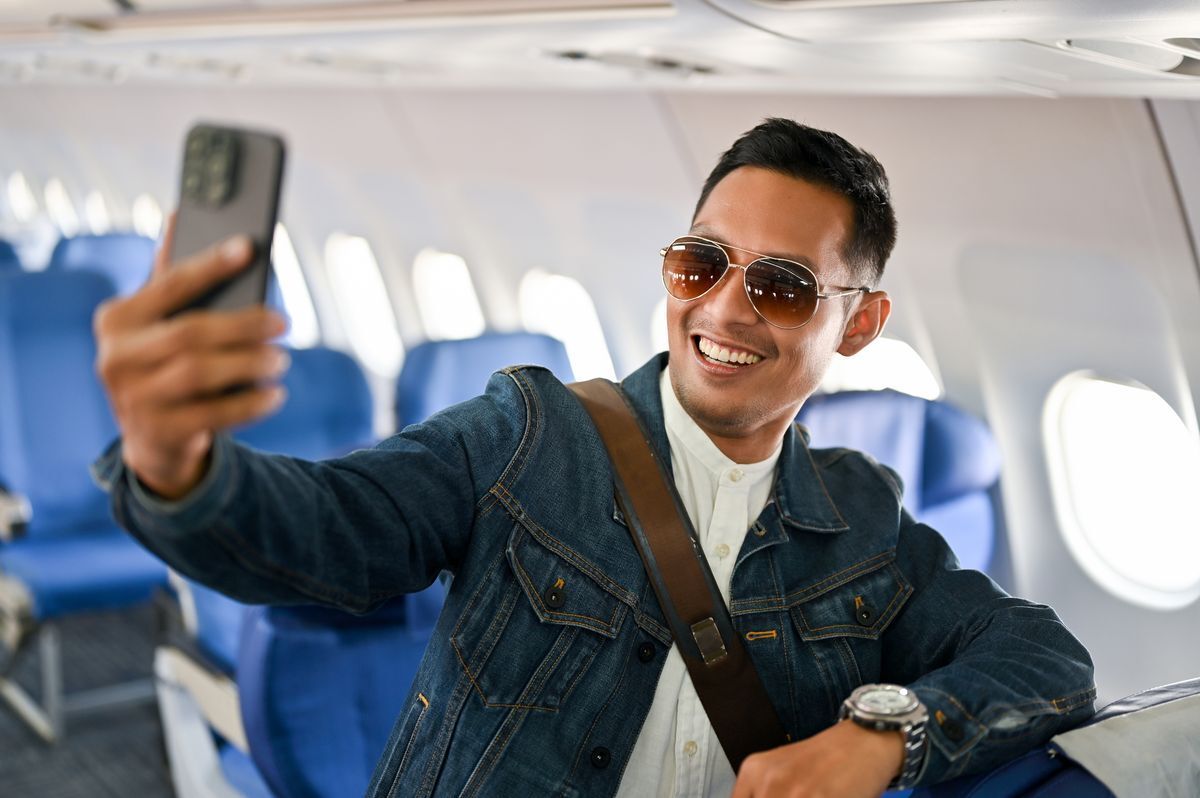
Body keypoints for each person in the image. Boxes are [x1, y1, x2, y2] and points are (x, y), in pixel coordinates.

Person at [92, 118, 1095, 798]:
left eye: (783, 286)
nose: (724, 309)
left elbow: (1047, 660)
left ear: (862, 324)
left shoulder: (862, 522)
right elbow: (328, 532)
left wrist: (885, 735)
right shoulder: (531, 433)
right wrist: (175, 460)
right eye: (701, 263)